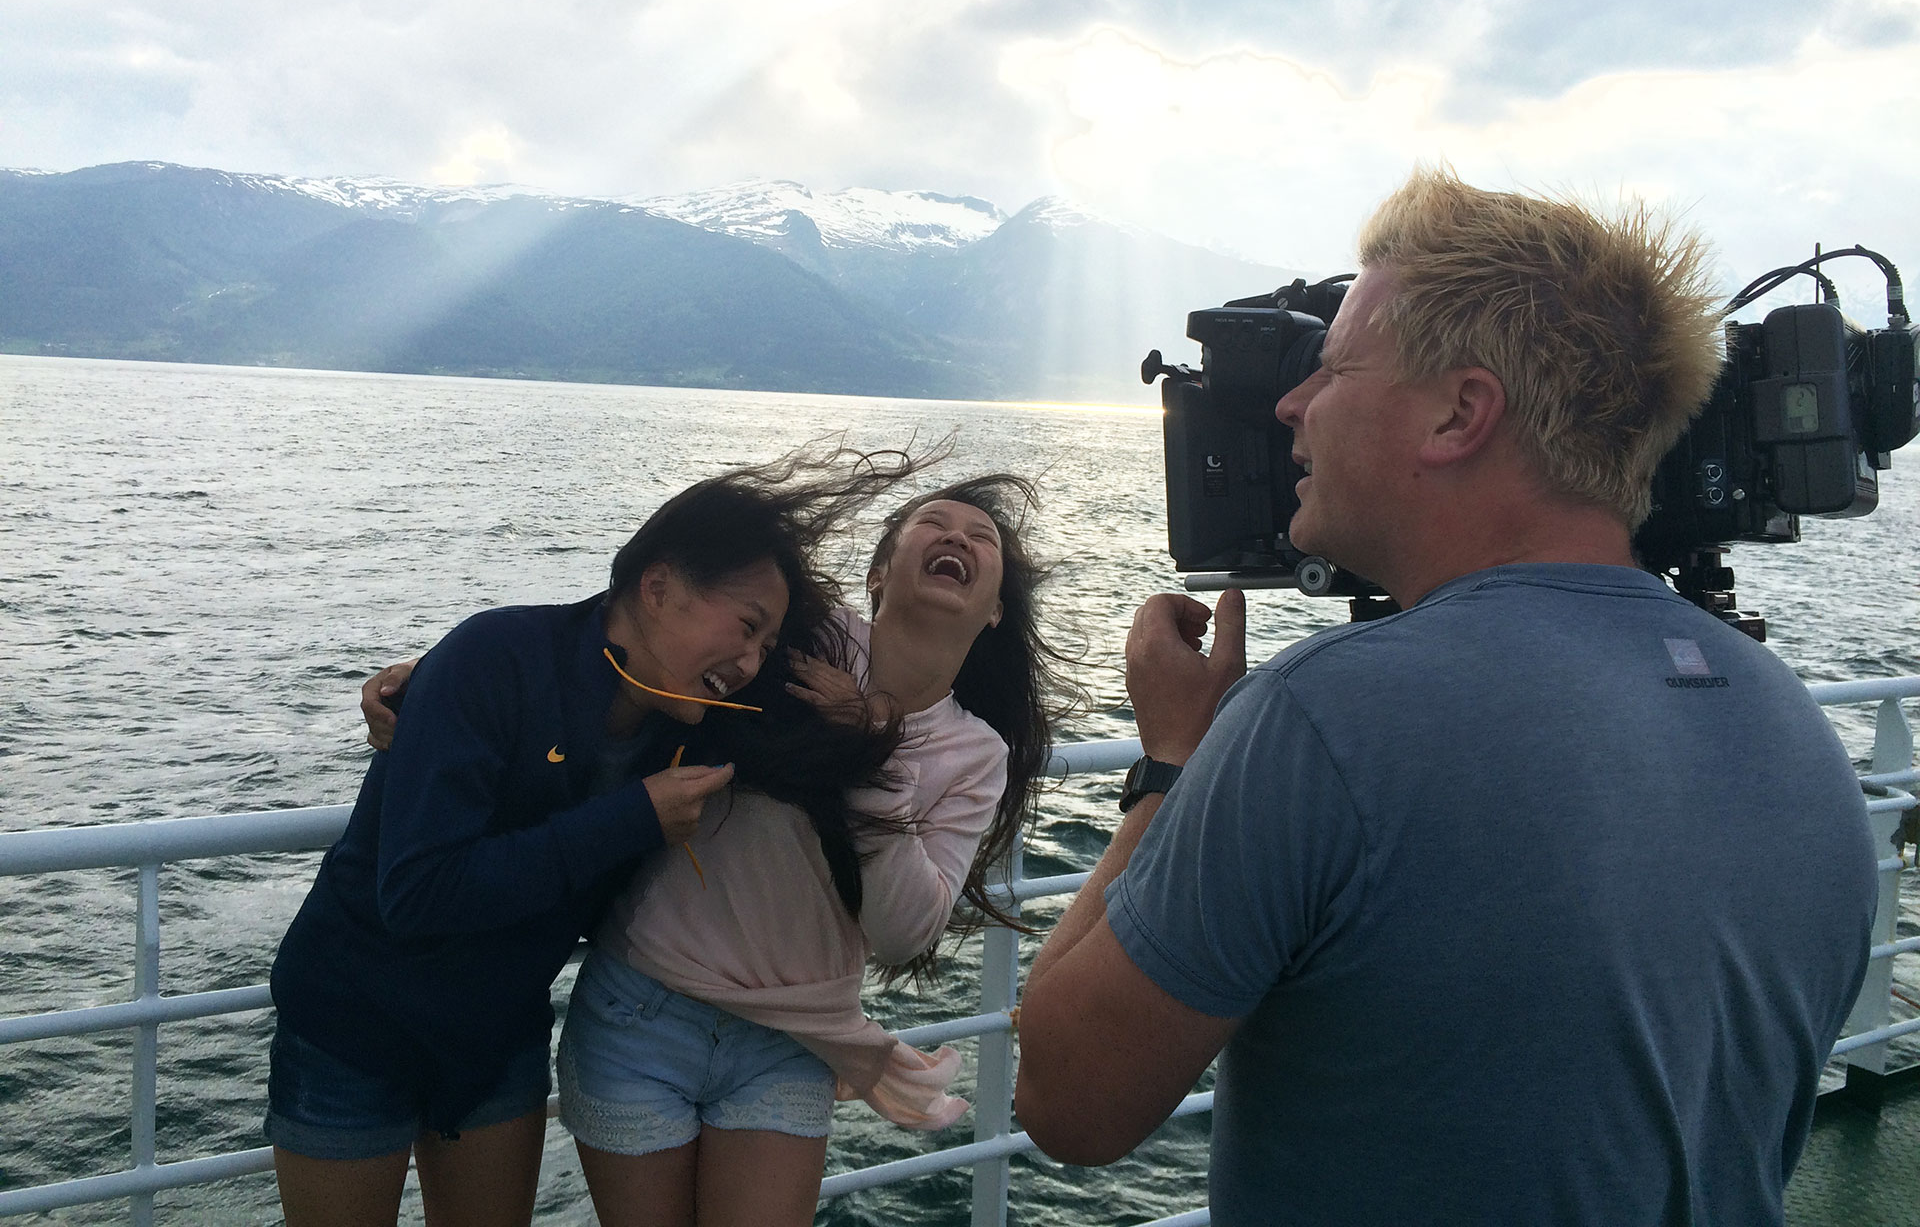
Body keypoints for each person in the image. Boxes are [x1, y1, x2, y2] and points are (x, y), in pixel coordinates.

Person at [1014, 167, 1880, 1226]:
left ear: (1459, 414)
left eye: (1330, 369)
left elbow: (1067, 1103)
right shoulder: (1787, 718)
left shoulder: (1323, 722)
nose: (1291, 405)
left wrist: (1169, 773)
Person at [267, 449, 912, 1227]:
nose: (749, 664)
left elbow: (832, 754)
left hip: (493, 1036)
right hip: (351, 1023)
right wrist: (629, 817)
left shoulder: (700, 728)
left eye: (767, 648)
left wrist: (868, 718)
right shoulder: (492, 658)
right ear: (659, 584)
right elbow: (417, 892)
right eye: (746, 629)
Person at [557, 475, 1072, 1227]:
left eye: (981, 538)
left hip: (791, 1039)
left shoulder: (974, 754)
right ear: (877, 574)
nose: (958, 536)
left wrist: (866, 751)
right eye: (933, 522)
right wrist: (459, 684)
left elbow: (904, 930)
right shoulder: (801, 643)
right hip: (643, 1005)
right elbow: (643, 652)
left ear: (994, 609)